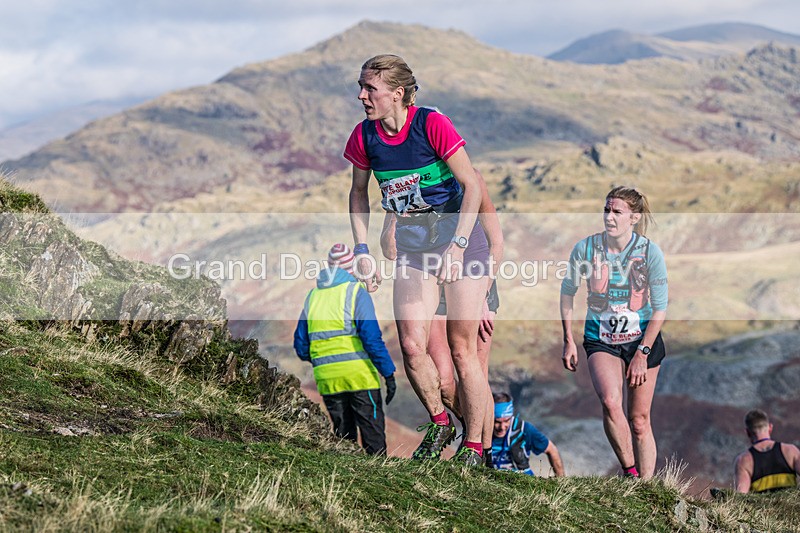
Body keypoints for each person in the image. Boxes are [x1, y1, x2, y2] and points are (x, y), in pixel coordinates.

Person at [345, 54, 489, 466]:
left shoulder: (431, 125)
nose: (362, 96)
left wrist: (458, 245)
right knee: (411, 345)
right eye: (361, 87)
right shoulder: (364, 136)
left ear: (397, 93)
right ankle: (440, 422)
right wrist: (362, 249)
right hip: (414, 249)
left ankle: (474, 447)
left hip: (462, 244)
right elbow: (358, 193)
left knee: (462, 351)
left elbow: (472, 186)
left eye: (370, 88)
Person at [380, 167, 503, 463]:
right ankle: (458, 429)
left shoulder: (470, 179)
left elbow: (496, 243)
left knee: (472, 366)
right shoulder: (407, 180)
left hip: (474, 279)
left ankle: (484, 453)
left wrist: (484, 294)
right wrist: (391, 224)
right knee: (445, 381)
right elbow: (389, 247)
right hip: (431, 281)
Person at [560, 186, 668, 480]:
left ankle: (647, 486)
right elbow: (567, 292)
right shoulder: (585, 249)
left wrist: (642, 354)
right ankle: (630, 472)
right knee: (610, 401)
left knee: (639, 420)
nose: (609, 216)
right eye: (606, 210)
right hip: (601, 338)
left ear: (634, 217)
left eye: (617, 211)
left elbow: (660, 309)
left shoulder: (650, 252)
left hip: (642, 340)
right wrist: (568, 339)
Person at [293, 243, 397, 455]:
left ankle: (343, 475)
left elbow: (301, 346)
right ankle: (377, 474)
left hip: (328, 379)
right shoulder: (356, 292)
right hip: (360, 377)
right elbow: (371, 339)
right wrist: (388, 373)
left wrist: (323, 359)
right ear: (352, 269)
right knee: (373, 439)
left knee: (343, 441)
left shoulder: (312, 297)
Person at [490, 392, 565, 476]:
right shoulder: (480, 432)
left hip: (523, 480)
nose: (502, 427)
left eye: (507, 421)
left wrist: (561, 480)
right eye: (497, 422)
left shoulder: (524, 429)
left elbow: (552, 450)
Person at [734, 409, 799, 493]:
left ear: (747, 432)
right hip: (790, 501)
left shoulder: (743, 461)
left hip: (762, 502)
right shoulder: (790, 450)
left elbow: (741, 495)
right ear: (770, 428)